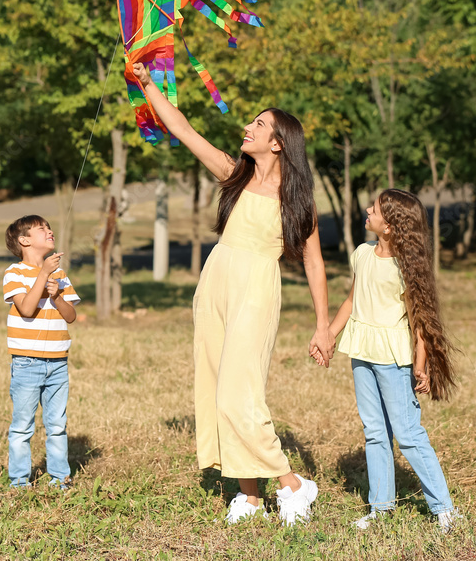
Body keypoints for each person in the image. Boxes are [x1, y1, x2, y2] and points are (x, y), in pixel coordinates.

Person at [131, 63, 334, 526]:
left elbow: (314, 262)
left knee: (239, 395)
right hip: (216, 280)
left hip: (257, 289)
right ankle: (252, 496)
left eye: (259, 124)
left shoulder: (296, 199)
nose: (249, 127)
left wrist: (323, 326)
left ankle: (293, 484)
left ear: (278, 142)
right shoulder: (234, 175)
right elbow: (181, 129)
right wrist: (147, 85)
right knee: (215, 386)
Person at [324, 189, 462, 532]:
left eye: (375, 208)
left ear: (391, 225)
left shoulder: (407, 266)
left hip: (393, 359)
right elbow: (352, 301)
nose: (367, 210)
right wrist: (328, 334)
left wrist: (421, 362)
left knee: (408, 433)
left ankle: (444, 509)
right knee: (374, 432)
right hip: (362, 353)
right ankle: (380, 508)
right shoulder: (361, 254)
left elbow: (420, 320)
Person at [2, 216, 80, 489]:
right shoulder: (14, 273)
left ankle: (60, 479)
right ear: (24, 240)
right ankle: (19, 482)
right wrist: (44, 274)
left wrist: (57, 295)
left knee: (57, 425)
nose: (50, 231)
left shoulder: (60, 276)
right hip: (27, 362)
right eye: (42, 229)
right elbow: (26, 308)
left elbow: (70, 316)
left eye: (49, 227)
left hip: (58, 362)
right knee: (23, 426)